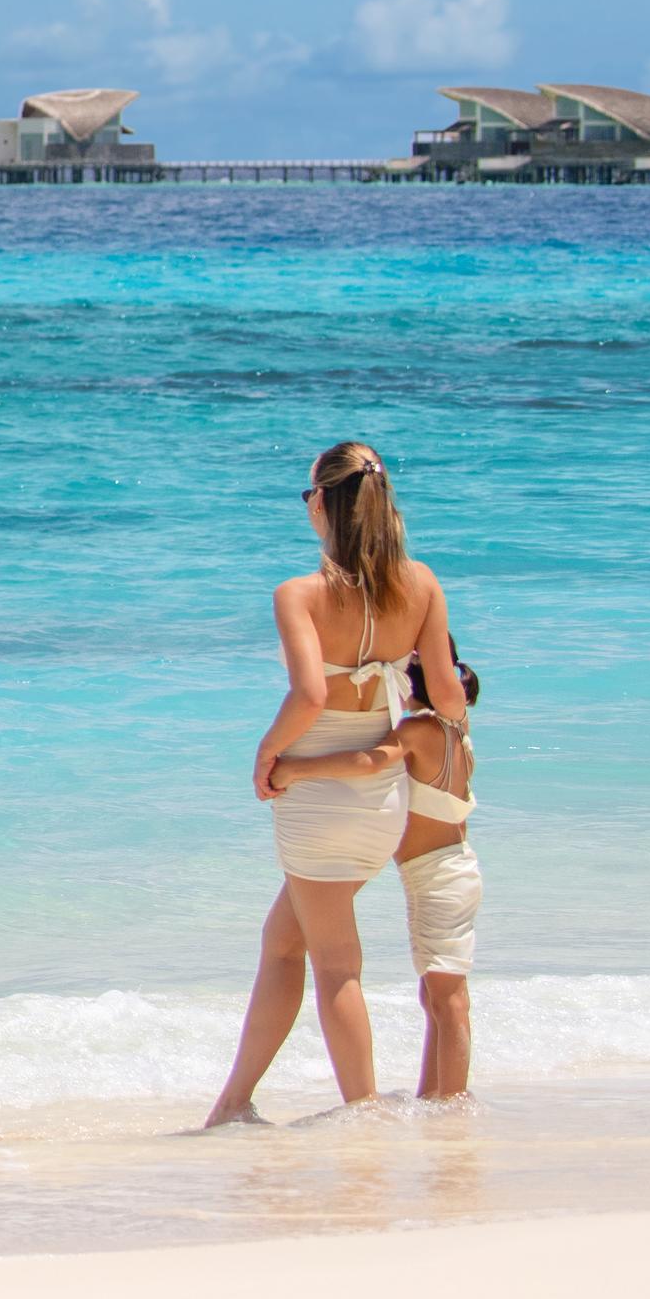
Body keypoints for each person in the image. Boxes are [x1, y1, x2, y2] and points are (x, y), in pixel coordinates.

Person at [201, 442, 469, 1127]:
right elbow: (446, 698)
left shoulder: (299, 594)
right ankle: (233, 1104)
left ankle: (364, 1114)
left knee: (337, 965)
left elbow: (310, 695)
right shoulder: (422, 584)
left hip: (317, 798)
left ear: (321, 502)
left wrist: (268, 751)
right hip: (380, 800)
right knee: (283, 944)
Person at [259, 653, 482, 1099]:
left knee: (447, 998)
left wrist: (297, 768)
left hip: (437, 876)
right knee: (437, 996)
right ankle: (434, 1098)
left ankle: (453, 1108)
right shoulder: (456, 726)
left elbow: (368, 762)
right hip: (451, 870)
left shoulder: (417, 730)